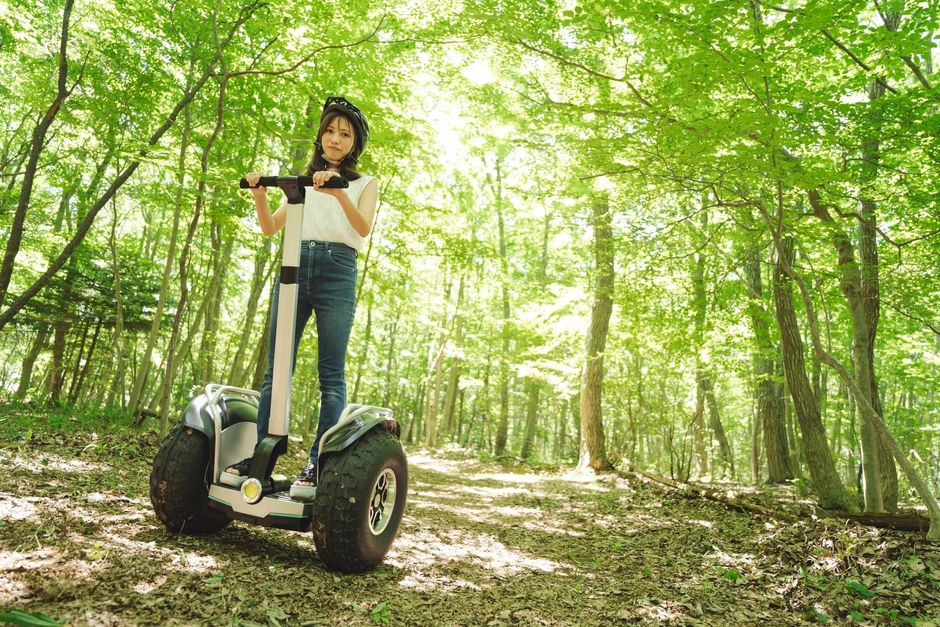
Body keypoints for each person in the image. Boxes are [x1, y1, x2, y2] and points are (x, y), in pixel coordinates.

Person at [223, 96, 378, 500]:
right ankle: (263, 457)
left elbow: (362, 230)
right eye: (330, 131)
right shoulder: (301, 183)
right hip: (295, 263)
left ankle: (318, 463)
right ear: (320, 136)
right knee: (277, 369)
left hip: (338, 271)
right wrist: (259, 190)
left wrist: (338, 191)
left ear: (354, 143)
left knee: (331, 374)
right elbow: (270, 227)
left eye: (345, 134)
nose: (335, 139)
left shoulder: (364, 183)